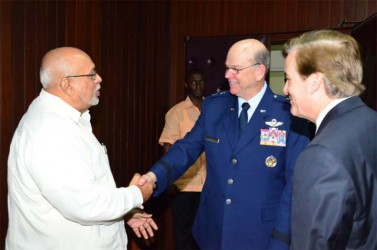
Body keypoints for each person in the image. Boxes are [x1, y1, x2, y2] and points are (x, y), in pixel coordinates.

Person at [139, 39, 310, 249]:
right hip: (213, 230)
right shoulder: (214, 107)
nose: (227, 75)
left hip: (260, 234)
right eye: (227, 68)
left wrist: (284, 240)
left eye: (235, 69)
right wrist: (152, 177)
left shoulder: (288, 114)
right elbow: (186, 148)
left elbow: (295, 185)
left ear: (259, 71)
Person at [6, 47, 157, 250]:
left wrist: (123, 213)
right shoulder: (50, 131)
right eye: (92, 74)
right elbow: (86, 205)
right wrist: (136, 195)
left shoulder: (67, 118)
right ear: (67, 84)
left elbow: (81, 192)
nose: (99, 79)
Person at [282, 29, 377, 249]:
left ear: (314, 81)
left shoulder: (321, 155)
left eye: (289, 79)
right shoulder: (371, 121)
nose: (285, 89)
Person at [159, 69, 206, 249]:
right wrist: (168, 177)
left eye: (201, 82)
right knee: (184, 235)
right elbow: (168, 147)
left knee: (205, 235)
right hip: (185, 185)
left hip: (209, 185)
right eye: (193, 82)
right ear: (187, 85)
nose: (198, 86)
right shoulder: (176, 112)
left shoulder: (212, 110)